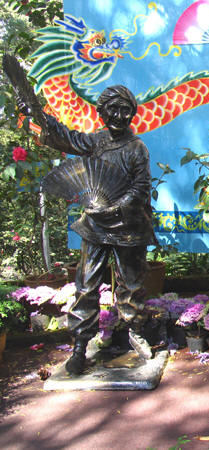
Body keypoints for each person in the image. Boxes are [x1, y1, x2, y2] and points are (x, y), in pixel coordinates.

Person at [20, 85, 157, 374]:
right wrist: (38, 114)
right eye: (112, 109)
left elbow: (141, 187)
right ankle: (80, 345)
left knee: (131, 285)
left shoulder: (137, 148)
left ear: (133, 113)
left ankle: (136, 333)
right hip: (95, 225)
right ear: (101, 112)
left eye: (125, 110)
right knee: (86, 284)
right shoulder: (94, 142)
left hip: (128, 226)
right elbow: (65, 137)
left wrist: (117, 207)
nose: (118, 116)